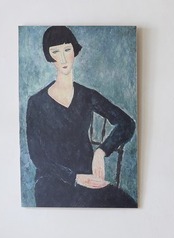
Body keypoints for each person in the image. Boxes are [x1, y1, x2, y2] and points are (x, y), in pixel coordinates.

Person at [26, 26, 137, 207]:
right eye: (55, 51)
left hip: (88, 180)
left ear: (74, 51)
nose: (62, 58)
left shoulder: (87, 95)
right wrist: (74, 178)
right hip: (51, 182)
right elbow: (37, 156)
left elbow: (127, 123)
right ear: (49, 56)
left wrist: (101, 152)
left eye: (67, 49)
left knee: (127, 204)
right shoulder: (36, 102)